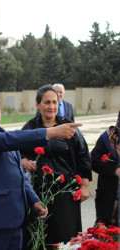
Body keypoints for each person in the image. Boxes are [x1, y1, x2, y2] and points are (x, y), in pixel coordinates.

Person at [0, 84, 82, 250]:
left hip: (14, 220)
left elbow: (18, 174)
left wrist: (34, 201)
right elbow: (8, 140)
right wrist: (50, 132)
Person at [20, 84, 91, 248]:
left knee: (65, 238)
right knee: (40, 237)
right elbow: (16, 152)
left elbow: (83, 155)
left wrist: (85, 185)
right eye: (46, 102)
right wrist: (24, 161)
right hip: (38, 193)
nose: (51, 107)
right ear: (38, 104)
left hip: (66, 192)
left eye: (54, 102)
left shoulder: (69, 126)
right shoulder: (30, 128)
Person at [91, 111, 120, 226]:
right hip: (109, 198)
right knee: (107, 238)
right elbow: (94, 160)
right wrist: (115, 170)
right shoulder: (107, 137)